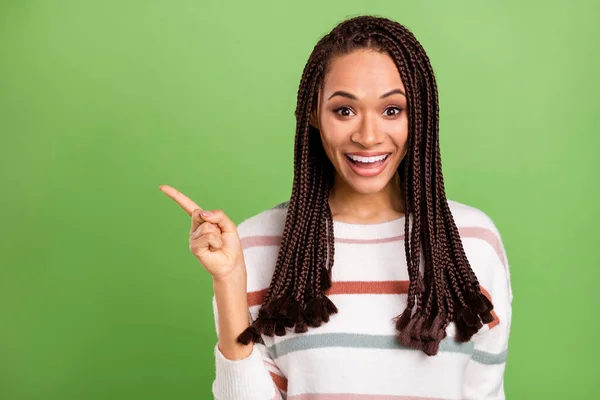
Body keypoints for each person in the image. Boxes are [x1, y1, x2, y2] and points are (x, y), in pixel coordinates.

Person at [160, 14, 513, 400]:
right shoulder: (255, 246)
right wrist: (228, 281)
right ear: (313, 114)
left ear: (420, 118)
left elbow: (485, 393)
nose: (367, 136)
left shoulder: (471, 243)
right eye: (344, 111)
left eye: (392, 110)